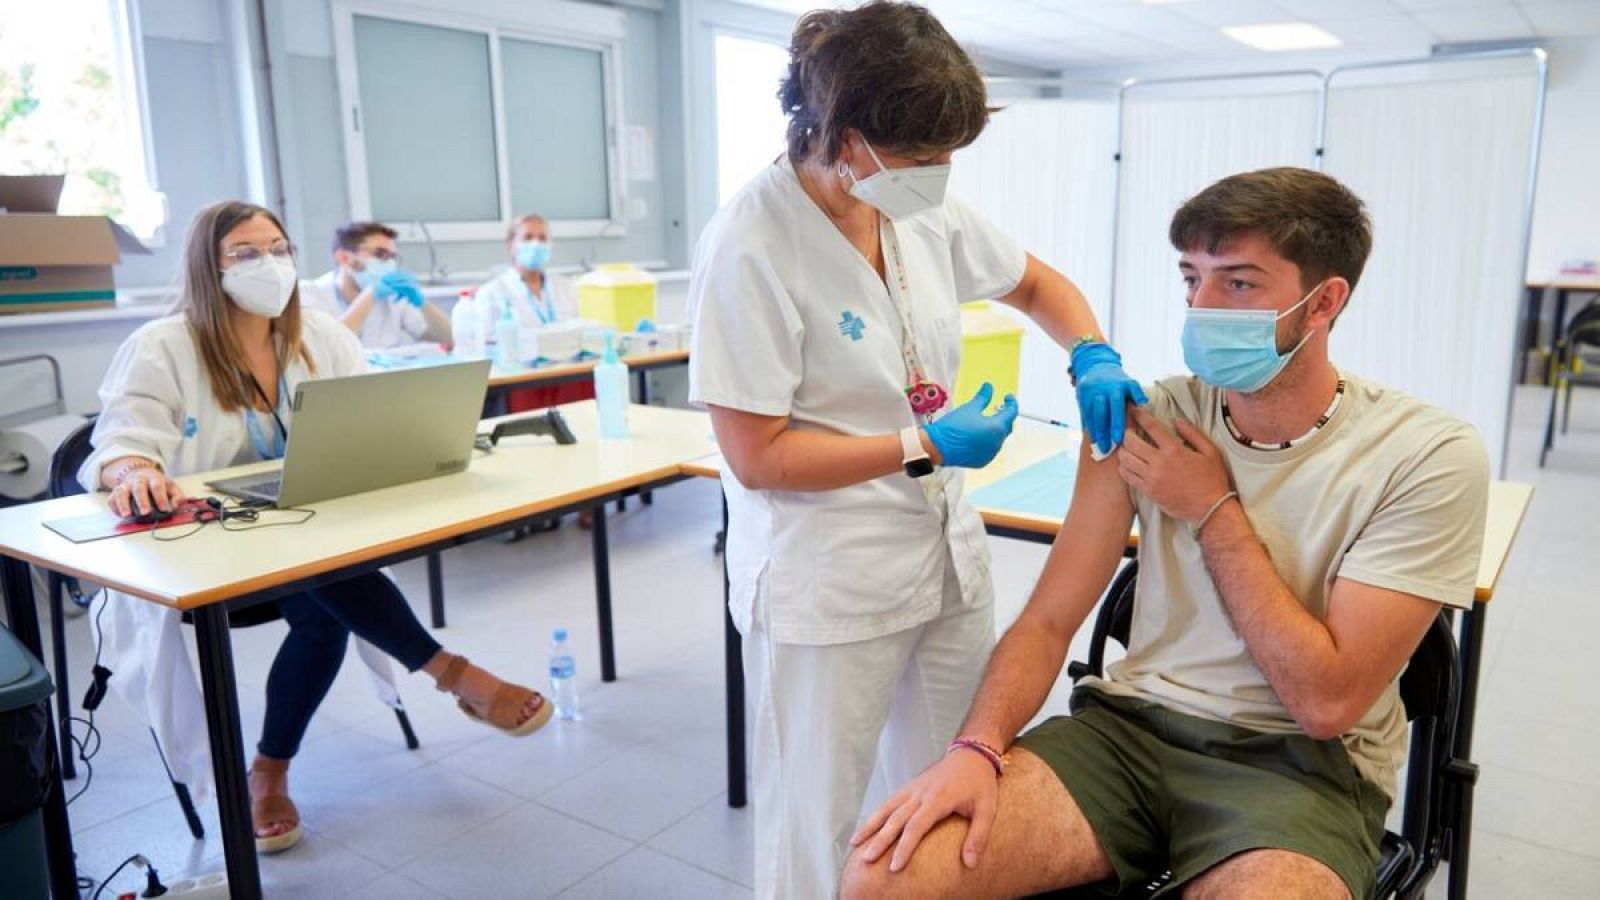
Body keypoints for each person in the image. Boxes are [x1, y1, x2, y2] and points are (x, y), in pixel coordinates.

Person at [841, 168, 1491, 900]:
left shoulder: (1425, 455)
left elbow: (1325, 704)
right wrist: (975, 747)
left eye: (1239, 285)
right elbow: (1051, 619)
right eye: (1192, 279)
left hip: (1300, 767)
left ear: (1325, 302)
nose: (1202, 307)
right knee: (883, 878)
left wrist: (1212, 509)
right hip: (1127, 736)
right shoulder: (1148, 420)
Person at [686, 3, 1144, 896]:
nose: (940, 176)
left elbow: (1037, 282)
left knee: (953, 796)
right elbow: (758, 456)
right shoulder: (751, 245)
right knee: (813, 831)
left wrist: (1090, 350)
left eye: (950, 156)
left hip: (940, 554)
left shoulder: (919, 208)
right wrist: (919, 441)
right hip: (829, 577)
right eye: (924, 157)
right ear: (846, 137)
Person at [83, 200, 552, 856]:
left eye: (278, 247)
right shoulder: (162, 346)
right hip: (206, 559)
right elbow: (123, 438)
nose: (268, 263)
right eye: (246, 252)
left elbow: (368, 419)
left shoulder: (321, 337)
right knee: (326, 580)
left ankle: (268, 771)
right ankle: (456, 676)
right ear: (207, 268)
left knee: (323, 602)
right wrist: (132, 470)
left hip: (307, 546)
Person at [475, 212, 592, 412]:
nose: (536, 244)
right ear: (511, 245)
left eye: (542, 238)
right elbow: (486, 347)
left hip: (569, 376)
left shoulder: (566, 286)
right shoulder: (492, 292)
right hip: (522, 382)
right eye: (528, 238)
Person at [299, 220, 452, 349]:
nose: (389, 263)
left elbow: (448, 340)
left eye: (393, 257)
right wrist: (370, 295)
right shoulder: (310, 293)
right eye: (380, 254)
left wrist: (422, 303)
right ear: (344, 258)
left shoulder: (392, 297)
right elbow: (330, 348)